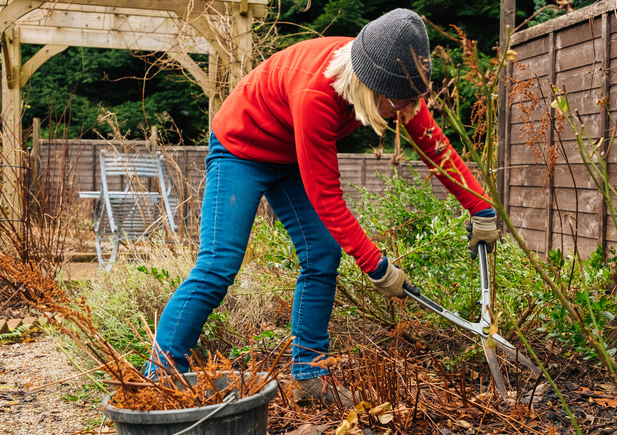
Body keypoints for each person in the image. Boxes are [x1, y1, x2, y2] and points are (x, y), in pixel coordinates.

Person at [146, 8, 498, 407]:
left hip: (290, 153)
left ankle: (311, 376)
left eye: (413, 99)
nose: (406, 111)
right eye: (399, 102)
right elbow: (327, 198)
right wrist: (376, 266)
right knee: (218, 264)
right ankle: (159, 379)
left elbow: (434, 143)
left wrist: (480, 207)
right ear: (372, 87)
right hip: (241, 149)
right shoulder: (316, 93)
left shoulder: (395, 82)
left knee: (322, 253)